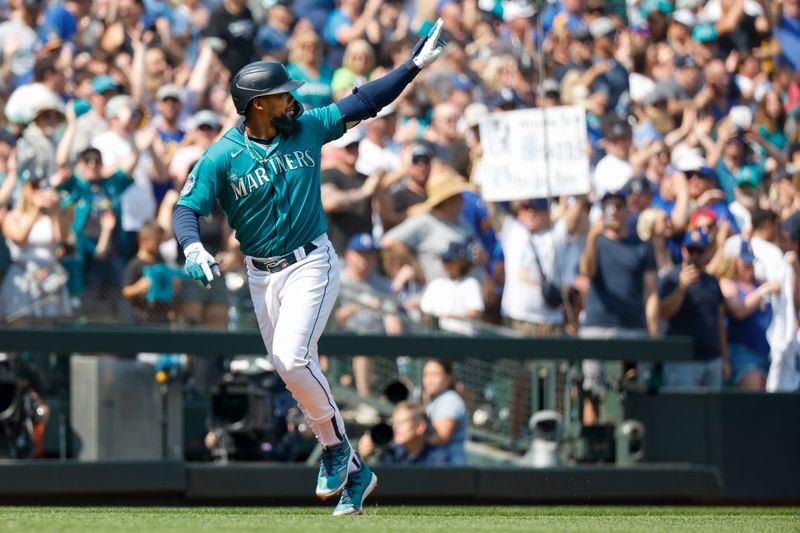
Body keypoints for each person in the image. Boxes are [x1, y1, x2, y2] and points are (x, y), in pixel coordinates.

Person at [172, 19, 447, 516]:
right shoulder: (221, 156)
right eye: (282, 94)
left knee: (293, 359)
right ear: (259, 104)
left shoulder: (305, 127)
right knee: (289, 365)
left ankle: (338, 450)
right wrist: (192, 247)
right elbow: (186, 208)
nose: (292, 99)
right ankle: (357, 475)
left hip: (311, 262)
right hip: (261, 275)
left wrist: (411, 67)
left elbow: (362, 102)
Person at [335, 233, 402, 397]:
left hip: (375, 339)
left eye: (370, 254)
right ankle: (363, 399)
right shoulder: (337, 280)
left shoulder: (381, 284)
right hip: (342, 337)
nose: (365, 259)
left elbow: (393, 321)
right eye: (361, 254)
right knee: (361, 347)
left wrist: (395, 331)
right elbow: (333, 320)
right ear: (349, 255)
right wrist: (358, 307)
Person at [659, 228, 728, 389]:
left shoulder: (711, 281)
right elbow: (664, 313)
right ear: (684, 250)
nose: (695, 255)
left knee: (711, 413)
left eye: (699, 250)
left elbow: (719, 321)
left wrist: (725, 358)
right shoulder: (672, 278)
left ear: (705, 252)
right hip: (682, 360)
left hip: (712, 358)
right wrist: (681, 288)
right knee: (683, 411)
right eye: (691, 250)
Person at [718, 242, 779, 390]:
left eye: (750, 261)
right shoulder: (727, 283)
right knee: (754, 398)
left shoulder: (759, 283)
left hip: (767, 353)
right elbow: (739, 311)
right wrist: (763, 291)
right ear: (732, 261)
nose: (749, 265)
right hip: (742, 352)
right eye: (744, 261)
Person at [121, 220, 183, 325]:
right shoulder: (134, 265)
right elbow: (125, 291)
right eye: (156, 240)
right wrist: (139, 287)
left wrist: (174, 285)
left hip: (162, 319)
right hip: (142, 319)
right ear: (143, 239)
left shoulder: (161, 263)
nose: (159, 244)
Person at [419, 240, 484, 336]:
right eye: (443, 259)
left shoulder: (470, 284)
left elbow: (474, 313)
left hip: (462, 338)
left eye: (449, 260)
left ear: (461, 261)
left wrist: (451, 317)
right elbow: (425, 312)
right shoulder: (435, 284)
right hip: (437, 337)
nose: (445, 263)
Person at [357, 401, 449, 465]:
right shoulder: (390, 453)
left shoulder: (438, 457)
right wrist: (364, 458)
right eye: (394, 423)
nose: (395, 428)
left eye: (401, 423)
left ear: (421, 427)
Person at [422, 358, 467, 465]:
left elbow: (441, 438)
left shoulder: (449, 400)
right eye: (426, 374)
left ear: (449, 377)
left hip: (449, 465)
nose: (429, 379)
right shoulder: (436, 399)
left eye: (435, 374)